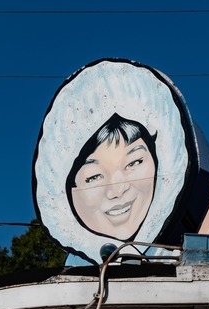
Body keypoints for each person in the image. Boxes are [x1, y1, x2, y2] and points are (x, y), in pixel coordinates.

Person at [33, 59, 200, 266]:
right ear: (65, 189)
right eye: (94, 176)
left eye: (133, 162)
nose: (117, 189)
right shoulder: (73, 275)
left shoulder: (181, 258)